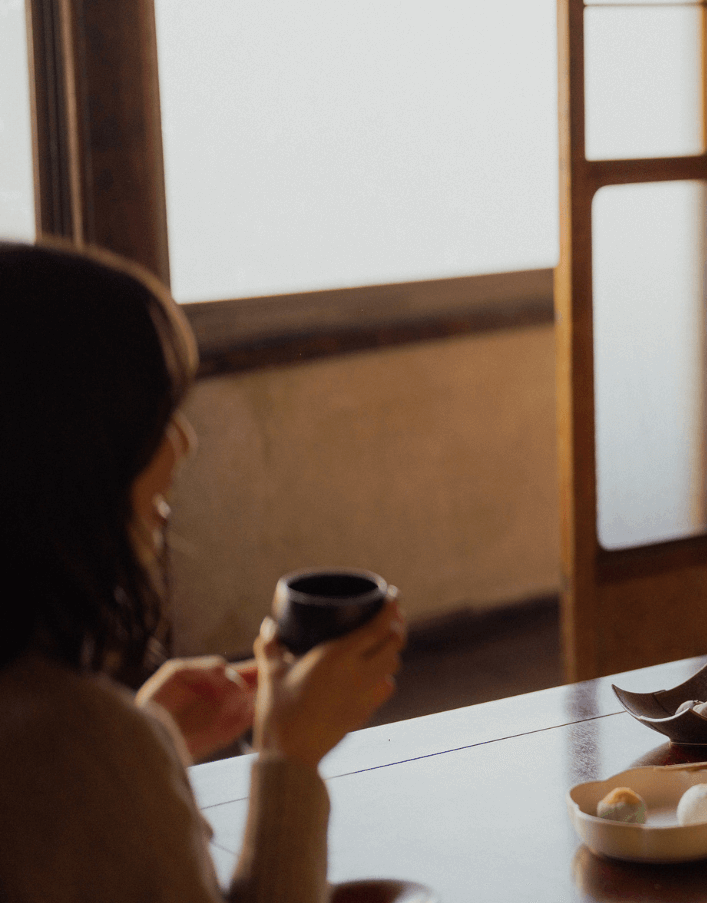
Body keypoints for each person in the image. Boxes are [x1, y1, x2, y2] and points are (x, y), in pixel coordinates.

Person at [0, 242, 406, 903]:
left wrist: (149, 739)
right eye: (155, 418)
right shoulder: (76, 750)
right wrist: (288, 760)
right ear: (62, 454)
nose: (184, 443)